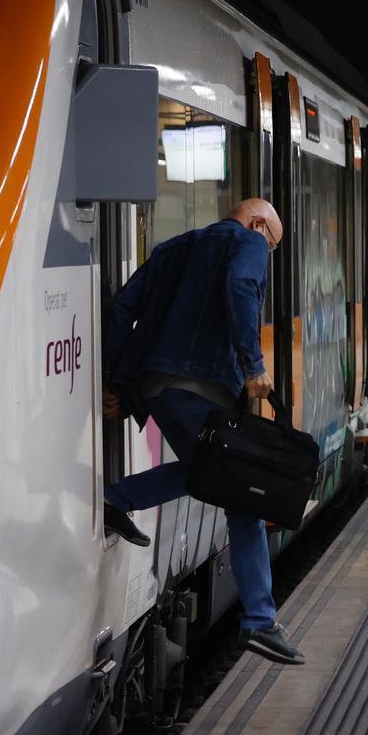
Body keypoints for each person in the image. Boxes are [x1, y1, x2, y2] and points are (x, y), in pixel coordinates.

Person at [101, 198, 305, 665]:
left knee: (206, 473)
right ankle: (259, 622)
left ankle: (117, 499)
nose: (265, 250)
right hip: (202, 388)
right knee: (244, 498)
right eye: (270, 243)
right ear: (257, 224)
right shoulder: (248, 242)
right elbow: (241, 284)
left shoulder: (174, 247)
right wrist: (253, 365)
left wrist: (114, 382)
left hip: (158, 389)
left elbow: (124, 307)